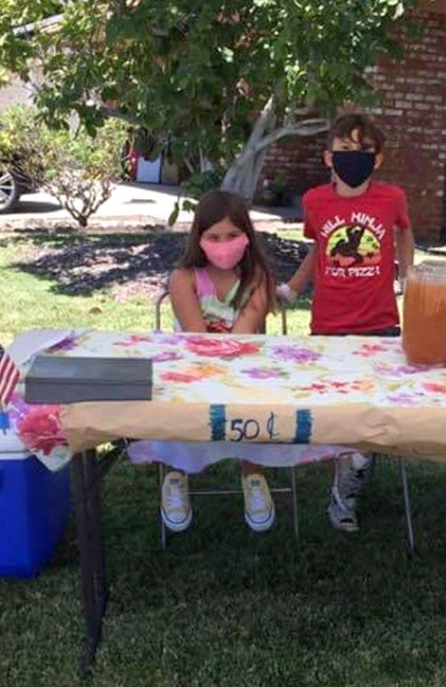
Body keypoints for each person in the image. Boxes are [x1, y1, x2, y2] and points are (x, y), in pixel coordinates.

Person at [279, 113, 414, 532]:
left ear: (376, 160)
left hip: (380, 323)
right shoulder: (315, 201)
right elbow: (319, 249)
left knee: (371, 410)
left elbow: (405, 234)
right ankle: (345, 481)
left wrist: (408, 273)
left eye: (362, 151)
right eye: (344, 151)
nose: (352, 158)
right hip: (330, 325)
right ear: (328, 157)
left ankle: (349, 478)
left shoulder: (392, 198)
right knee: (336, 410)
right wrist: (293, 289)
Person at [131, 190, 277, 533]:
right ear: (199, 239)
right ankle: (175, 472)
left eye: (232, 236)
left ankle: (253, 471)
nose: (223, 244)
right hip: (191, 367)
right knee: (176, 407)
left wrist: (229, 366)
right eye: (214, 237)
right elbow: (197, 339)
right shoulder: (184, 279)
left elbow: (242, 335)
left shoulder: (258, 278)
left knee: (253, 403)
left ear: (247, 237)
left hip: (244, 370)